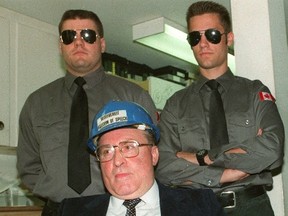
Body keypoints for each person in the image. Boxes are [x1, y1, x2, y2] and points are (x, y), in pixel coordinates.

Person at [16, 9, 158, 216]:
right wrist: (57, 192)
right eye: (69, 36)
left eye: (88, 35)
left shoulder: (133, 97)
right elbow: (28, 167)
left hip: (116, 209)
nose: (79, 42)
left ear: (102, 44)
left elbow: (152, 157)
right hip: (58, 210)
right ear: (60, 45)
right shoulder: (36, 103)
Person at [155, 1, 285, 216]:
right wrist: (226, 174)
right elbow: (164, 166)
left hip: (251, 208)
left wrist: (203, 157)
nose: (203, 43)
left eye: (212, 34)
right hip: (195, 208)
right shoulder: (176, 104)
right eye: (195, 37)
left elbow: (272, 149)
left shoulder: (254, 92)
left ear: (229, 39)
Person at [58, 100, 225, 216]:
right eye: (106, 151)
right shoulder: (71, 211)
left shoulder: (201, 206)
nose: (117, 161)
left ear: (154, 155)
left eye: (129, 147)